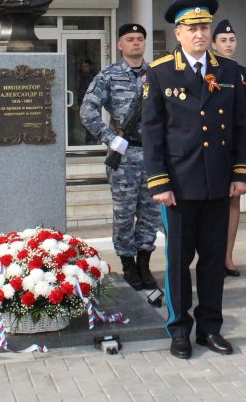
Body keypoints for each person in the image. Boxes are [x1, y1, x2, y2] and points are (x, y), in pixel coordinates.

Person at [141, 0, 246, 360]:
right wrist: (159, 182)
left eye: (204, 27)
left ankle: (210, 328)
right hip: (178, 185)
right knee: (178, 262)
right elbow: (152, 132)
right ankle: (179, 330)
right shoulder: (160, 72)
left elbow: (242, 124)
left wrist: (241, 172)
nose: (200, 34)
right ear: (178, 33)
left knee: (213, 260)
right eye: (192, 28)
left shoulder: (231, 71)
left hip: (218, 182)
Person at [79, 23, 160, 291]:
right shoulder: (109, 76)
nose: (136, 43)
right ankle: (128, 265)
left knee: (150, 214)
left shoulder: (157, 75)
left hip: (153, 155)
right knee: (124, 214)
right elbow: (87, 111)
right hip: (124, 156)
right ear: (120, 45)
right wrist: (110, 138)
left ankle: (145, 264)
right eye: (130, 39)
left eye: (140, 39)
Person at [211, 18, 246, 276]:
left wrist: (245, 156)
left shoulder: (242, 73)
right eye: (223, 40)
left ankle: (227, 256)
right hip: (212, 148)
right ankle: (212, 258)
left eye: (232, 40)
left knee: (233, 203)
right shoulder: (207, 70)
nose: (228, 44)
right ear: (214, 44)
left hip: (233, 150)